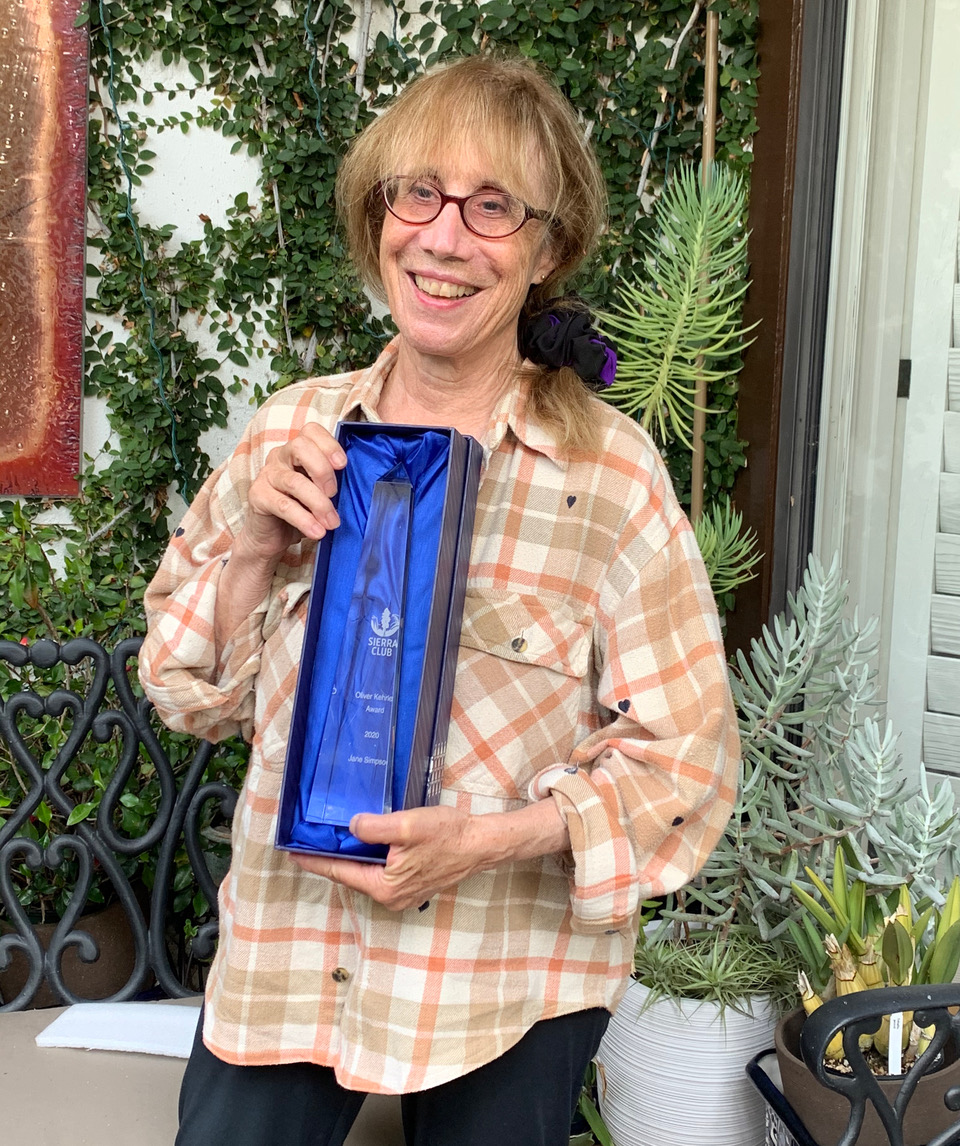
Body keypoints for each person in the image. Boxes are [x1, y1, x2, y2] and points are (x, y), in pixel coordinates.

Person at [139, 53, 739, 1146]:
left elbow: (687, 767)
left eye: (493, 206)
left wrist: (492, 838)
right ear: (381, 216)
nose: (444, 236)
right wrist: (251, 553)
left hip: (501, 981)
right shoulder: (294, 432)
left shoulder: (608, 475)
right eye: (417, 193)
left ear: (549, 248)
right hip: (288, 948)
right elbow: (190, 697)